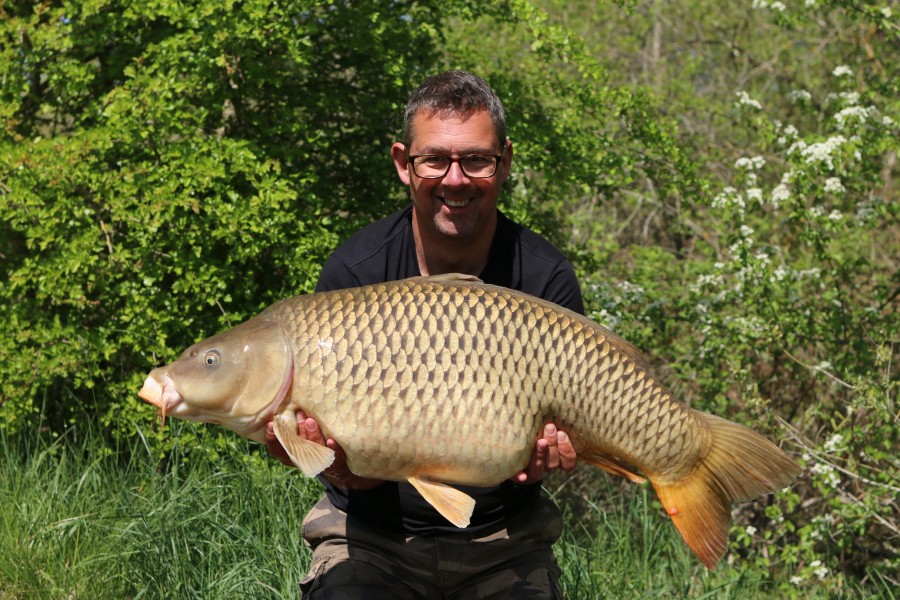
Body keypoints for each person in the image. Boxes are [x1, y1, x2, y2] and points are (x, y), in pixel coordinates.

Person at [266, 70, 583, 599]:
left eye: (476, 160)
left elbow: (557, 452)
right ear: (402, 164)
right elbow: (351, 479)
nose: (454, 179)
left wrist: (551, 459)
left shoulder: (545, 277)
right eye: (434, 159)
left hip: (505, 539)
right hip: (370, 536)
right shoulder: (354, 272)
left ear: (503, 162)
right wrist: (340, 466)